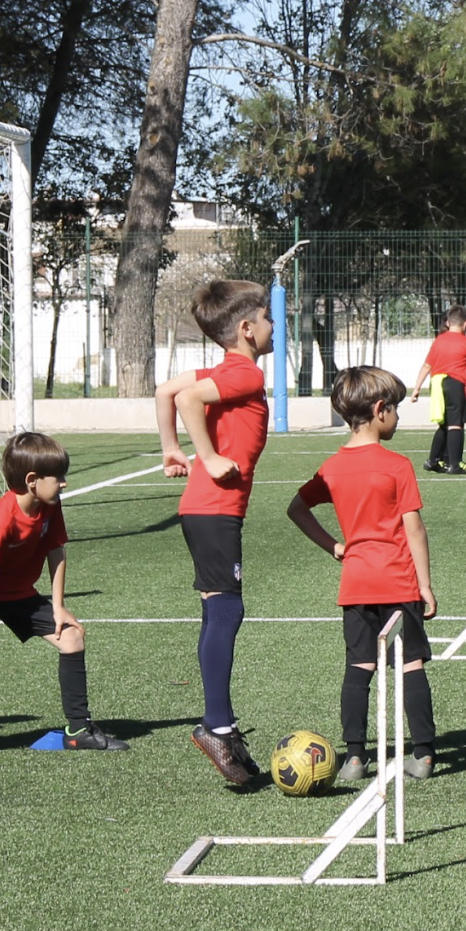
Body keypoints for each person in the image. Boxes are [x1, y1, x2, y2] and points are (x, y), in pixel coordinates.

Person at [0, 432, 127, 750]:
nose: (64, 483)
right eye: (58, 477)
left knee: (72, 636)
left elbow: (56, 549)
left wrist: (59, 606)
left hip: (19, 594)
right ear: (32, 480)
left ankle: (78, 731)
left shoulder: (49, 504)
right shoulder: (0, 521)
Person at [286, 367, 439, 780]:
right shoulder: (397, 466)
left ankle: (354, 757)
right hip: (398, 581)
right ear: (379, 410)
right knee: (410, 666)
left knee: (359, 668)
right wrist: (424, 585)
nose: (399, 417)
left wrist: (335, 546)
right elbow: (414, 529)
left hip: (355, 585)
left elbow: (296, 509)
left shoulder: (332, 467)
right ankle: (423, 754)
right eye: (396, 409)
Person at [155, 279, 274, 784]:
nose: (274, 326)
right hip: (215, 509)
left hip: (206, 509)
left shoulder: (231, 368)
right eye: (267, 318)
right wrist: (203, 454)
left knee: (218, 606)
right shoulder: (243, 373)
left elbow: (166, 390)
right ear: (246, 329)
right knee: (226, 607)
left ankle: (219, 724)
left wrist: (170, 450)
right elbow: (186, 402)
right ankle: (217, 727)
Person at [409, 305, 466, 474]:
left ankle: (433, 461)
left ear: (448, 323)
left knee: (444, 424)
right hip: (455, 383)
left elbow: (427, 365)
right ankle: (454, 465)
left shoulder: (439, 341)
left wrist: (417, 388)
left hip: (437, 384)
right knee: (456, 424)